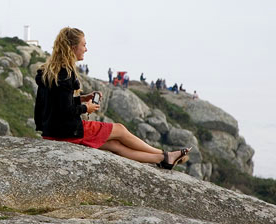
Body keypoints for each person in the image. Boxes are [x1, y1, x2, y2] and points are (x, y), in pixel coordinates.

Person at [34, 27, 191, 170]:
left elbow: (54, 105)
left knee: (115, 145)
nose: (86, 49)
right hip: (65, 131)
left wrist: (81, 99)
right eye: (83, 45)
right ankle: (165, 154)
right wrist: (86, 108)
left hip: (52, 131)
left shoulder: (49, 71)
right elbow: (64, 110)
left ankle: (163, 159)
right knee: (120, 130)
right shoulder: (65, 74)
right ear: (73, 48)